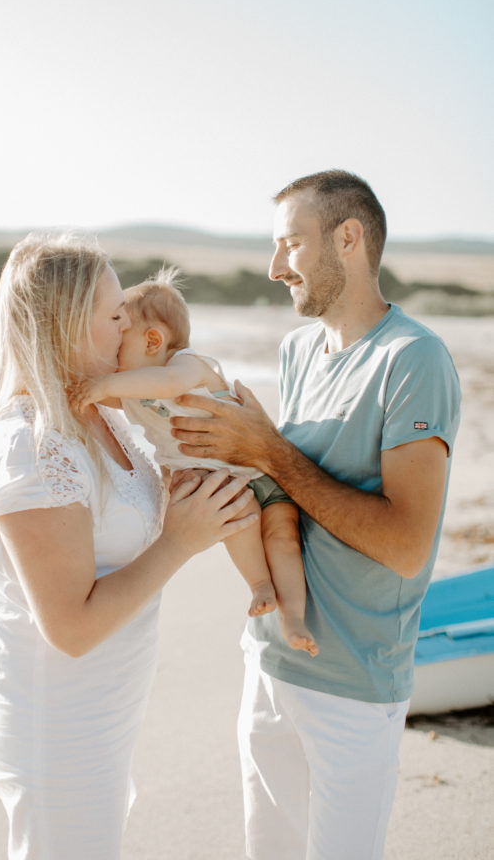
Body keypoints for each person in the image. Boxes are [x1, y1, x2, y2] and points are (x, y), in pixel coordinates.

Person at [169, 170, 461, 860]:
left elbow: (404, 546)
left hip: (354, 688)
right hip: (269, 661)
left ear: (348, 238)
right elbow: (285, 495)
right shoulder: (297, 350)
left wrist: (269, 450)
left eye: (289, 245)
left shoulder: (412, 359)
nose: (274, 268)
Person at [0, 233, 259, 860]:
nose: (132, 322)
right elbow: (70, 626)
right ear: (69, 323)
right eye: (115, 311)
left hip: (104, 709)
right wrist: (179, 542)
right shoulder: (32, 446)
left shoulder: (109, 415)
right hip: (57, 720)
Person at [70, 268, 317, 654]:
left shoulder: (189, 365)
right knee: (240, 525)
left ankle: (295, 618)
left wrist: (103, 384)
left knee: (283, 538)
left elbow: (166, 387)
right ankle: (260, 585)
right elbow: (104, 395)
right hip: (225, 485)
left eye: (120, 350)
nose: (114, 365)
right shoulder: (135, 390)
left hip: (259, 471)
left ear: (153, 341)